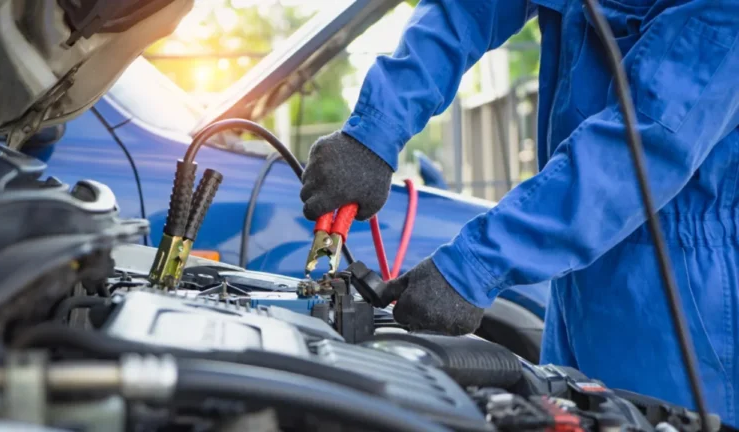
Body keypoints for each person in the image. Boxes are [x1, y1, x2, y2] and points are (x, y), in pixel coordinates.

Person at [300, 0, 739, 422]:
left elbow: (642, 142)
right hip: (576, 280)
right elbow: (467, 10)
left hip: (676, 293)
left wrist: (473, 266)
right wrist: (374, 130)